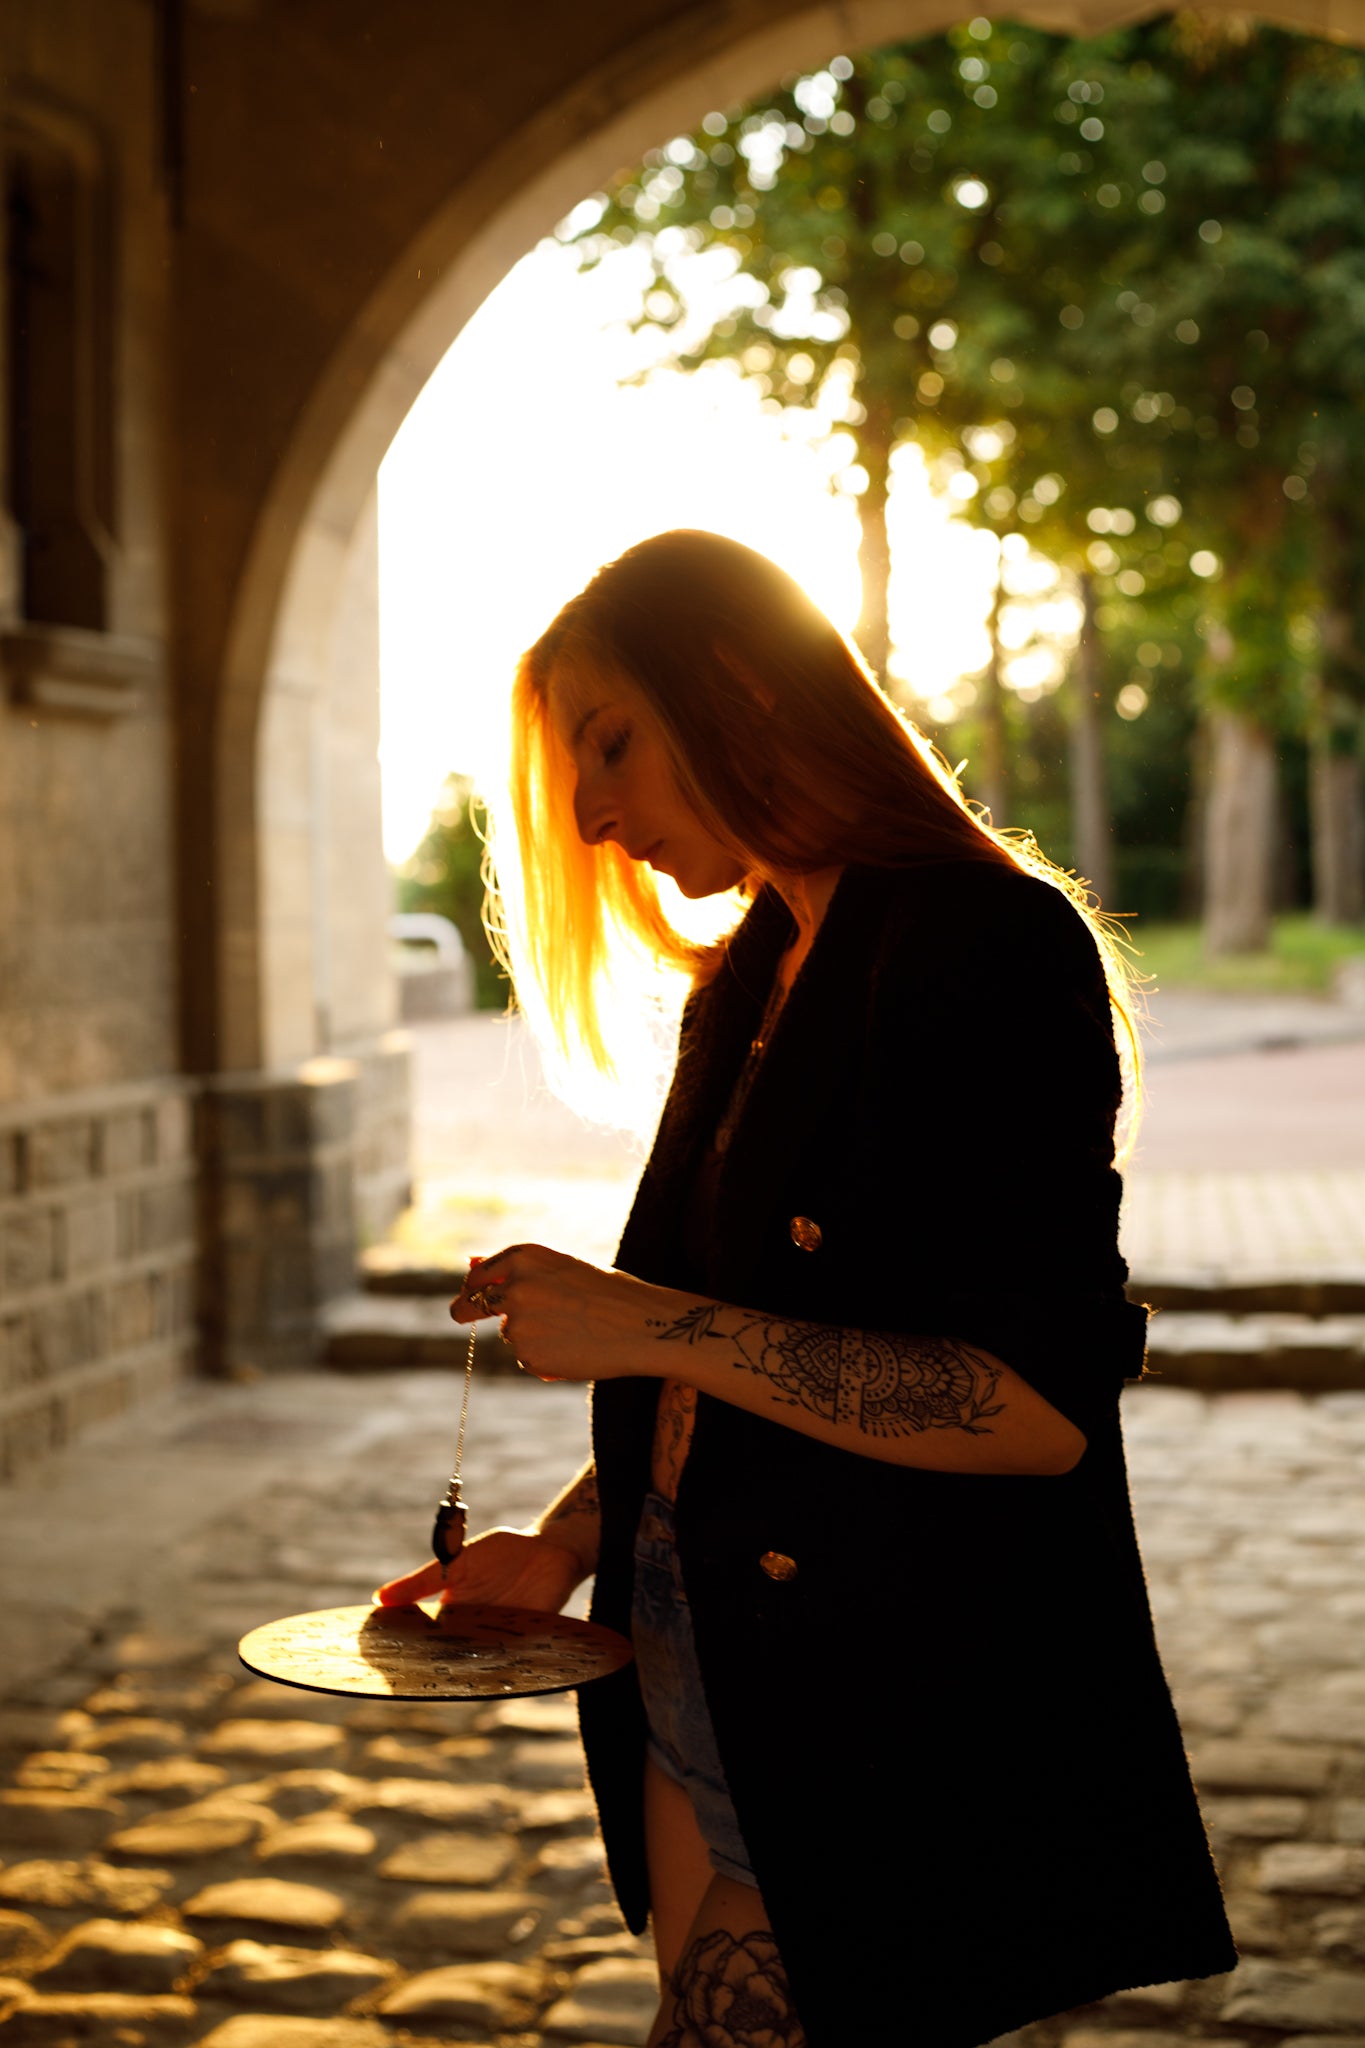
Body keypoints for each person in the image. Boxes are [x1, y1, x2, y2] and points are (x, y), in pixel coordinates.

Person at [377, 529, 1236, 2048]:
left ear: (733, 689)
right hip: (688, 1637)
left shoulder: (984, 948)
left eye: (610, 743)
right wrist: (567, 1548)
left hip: (886, 1695)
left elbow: (1030, 1411)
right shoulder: (753, 969)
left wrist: (636, 1322)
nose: (585, 815)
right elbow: (734, 1347)